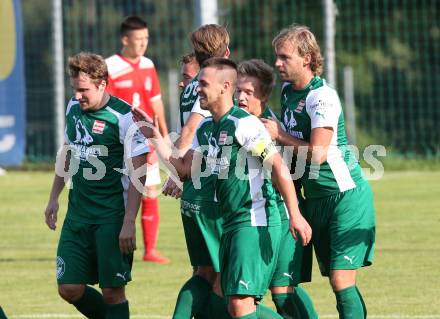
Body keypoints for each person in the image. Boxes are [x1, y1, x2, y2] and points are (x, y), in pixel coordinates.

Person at [134, 57, 312, 319]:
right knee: (232, 305)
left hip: (254, 221)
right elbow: (183, 169)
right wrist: (154, 136)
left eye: (203, 83)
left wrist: (295, 215)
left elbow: (278, 167)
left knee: (240, 305)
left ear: (225, 87)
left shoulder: (245, 124)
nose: (197, 89)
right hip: (230, 223)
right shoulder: (207, 128)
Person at [262, 25, 376, 318]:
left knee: (341, 279)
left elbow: (318, 154)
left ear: (307, 58)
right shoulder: (288, 91)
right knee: (333, 281)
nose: (278, 63)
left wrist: (279, 135)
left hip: (344, 196)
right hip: (315, 199)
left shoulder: (321, 97)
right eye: (277, 56)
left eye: (284, 57)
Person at [44, 52, 148, 319]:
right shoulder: (72, 108)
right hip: (77, 216)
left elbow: (140, 172)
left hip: (111, 218)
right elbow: (67, 152)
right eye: (75, 89)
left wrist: (129, 221)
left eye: (84, 90)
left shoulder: (124, 116)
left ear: (102, 84)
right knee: (69, 288)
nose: (78, 96)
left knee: (113, 292)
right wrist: (54, 197)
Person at [236, 59, 318, 319]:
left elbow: (281, 171)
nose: (241, 97)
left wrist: (294, 214)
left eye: (248, 92)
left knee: (269, 294)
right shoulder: (239, 122)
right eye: (238, 90)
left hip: (277, 214)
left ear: (263, 95)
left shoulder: (264, 128)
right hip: (256, 216)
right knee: (272, 293)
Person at [106, 15, 169, 263]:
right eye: (138, 39)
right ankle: (117, 237)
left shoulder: (148, 65)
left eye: (146, 38)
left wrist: (162, 133)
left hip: (145, 137)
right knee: (118, 191)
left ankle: (150, 250)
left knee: (150, 189)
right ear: (125, 39)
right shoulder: (110, 66)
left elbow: (156, 102)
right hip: (120, 139)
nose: (143, 43)